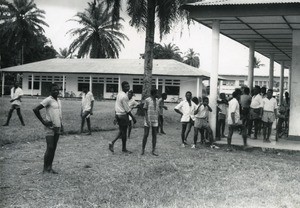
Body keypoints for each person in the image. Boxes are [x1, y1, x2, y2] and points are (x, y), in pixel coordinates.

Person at [33, 84, 63, 174]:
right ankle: (45, 168)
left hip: (57, 127)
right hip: (49, 127)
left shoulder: (59, 100)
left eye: (57, 90)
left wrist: (62, 125)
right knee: (49, 147)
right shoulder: (48, 100)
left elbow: (59, 114)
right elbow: (36, 109)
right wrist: (43, 122)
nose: (56, 91)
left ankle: (50, 167)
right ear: (50, 91)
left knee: (53, 148)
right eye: (54, 90)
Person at [109, 81, 136, 153]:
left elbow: (116, 106)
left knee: (121, 131)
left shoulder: (119, 94)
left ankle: (113, 143)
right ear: (123, 87)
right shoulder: (124, 96)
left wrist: (115, 116)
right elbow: (127, 109)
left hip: (118, 114)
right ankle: (123, 148)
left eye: (128, 86)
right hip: (123, 116)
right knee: (124, 133)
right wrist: (133, 118)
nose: (128, 87)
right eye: (126, 86)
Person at [141, 89, 159, 156]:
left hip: (155, 119)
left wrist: (158, 120)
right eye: (157, 93)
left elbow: (157, 110)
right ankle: (143, 149)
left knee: (154, 135)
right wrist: (147, 120)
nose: (158, 94)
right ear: (154, 93)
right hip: (148, 119)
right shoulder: (147, 100)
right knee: (146, 135)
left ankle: (153, 150)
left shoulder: (157, 100)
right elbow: (145, 110)